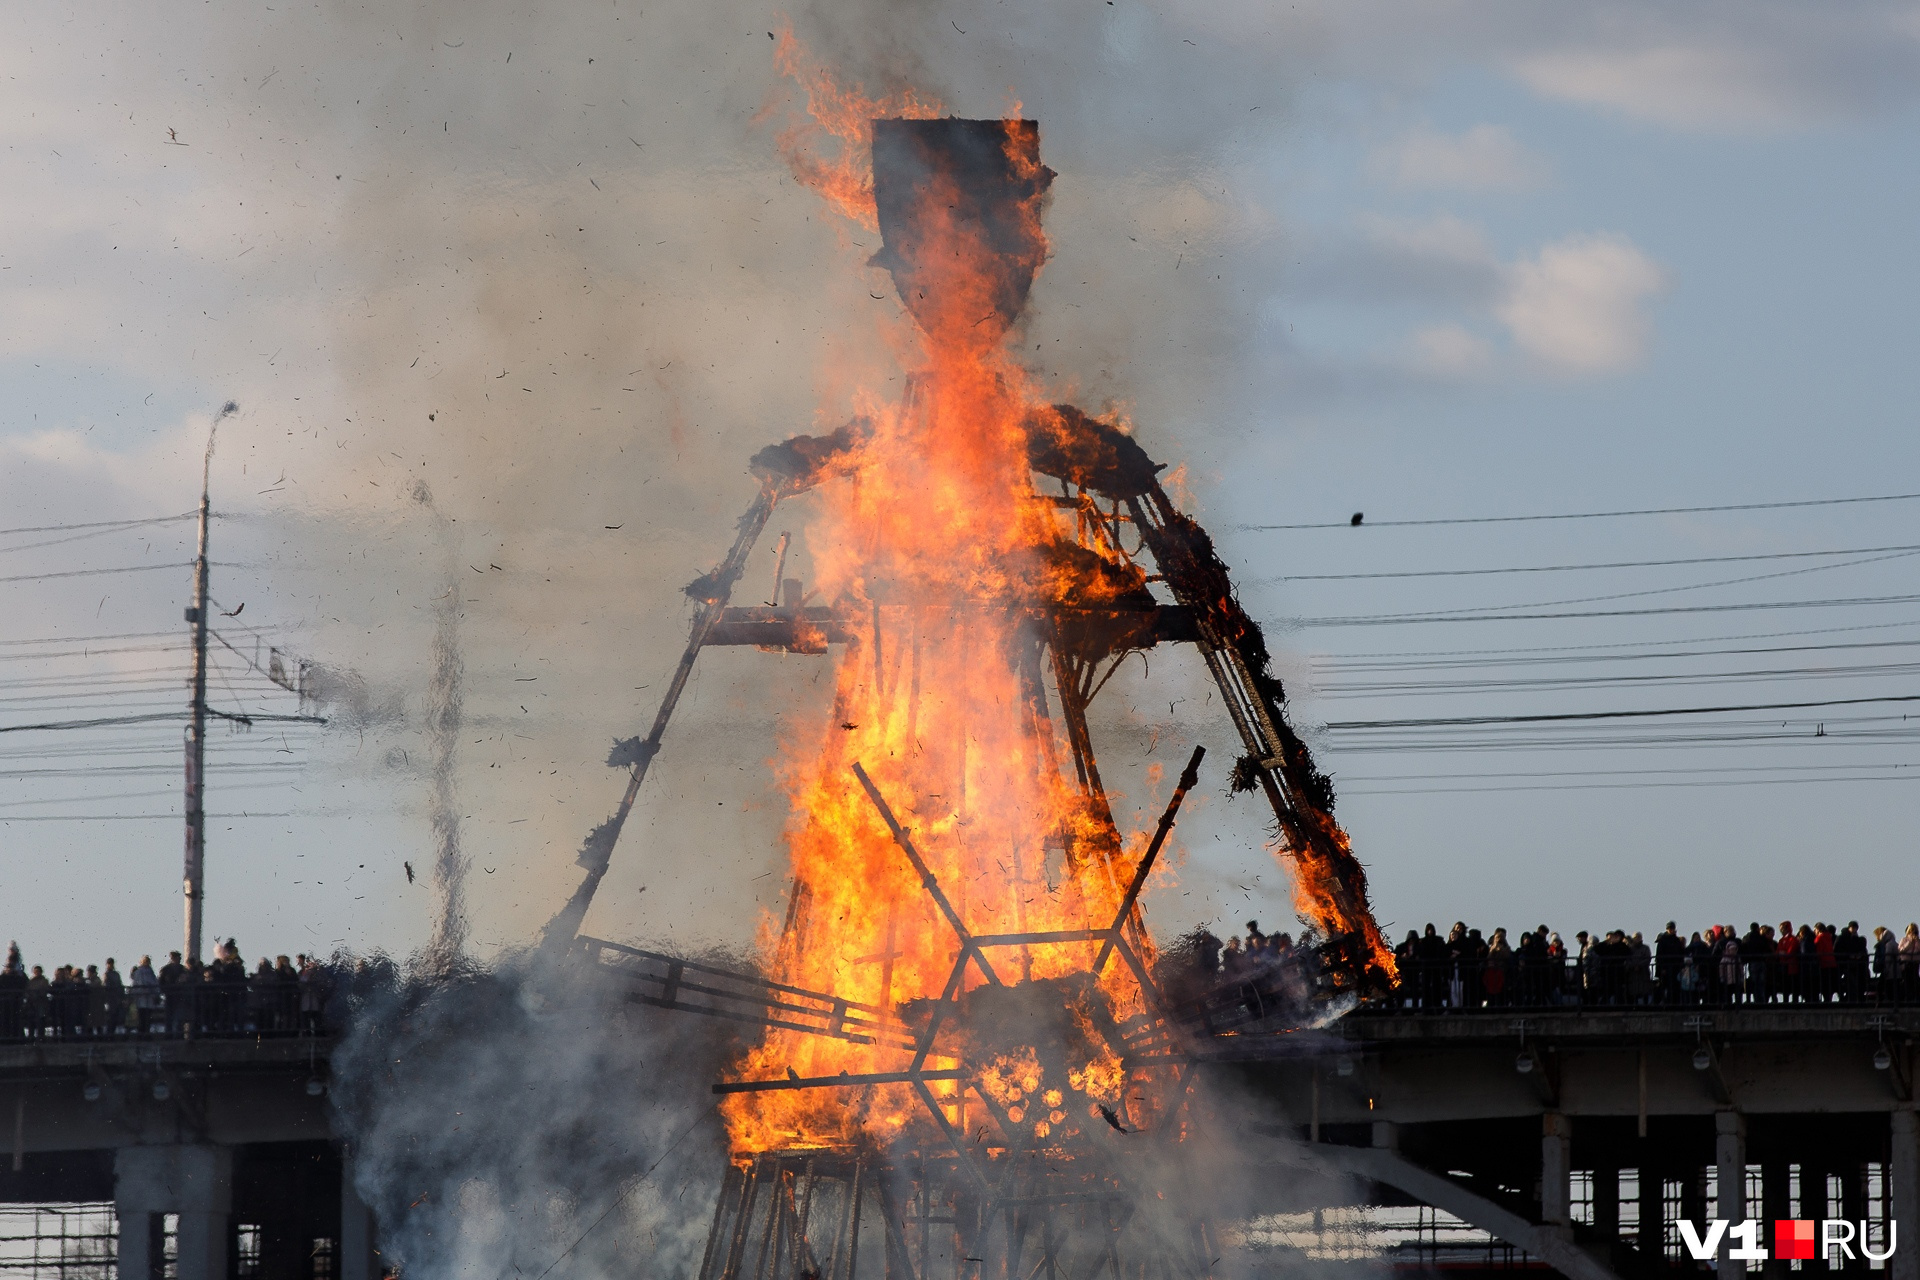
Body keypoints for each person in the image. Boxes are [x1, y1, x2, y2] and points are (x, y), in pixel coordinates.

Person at [129, 956, 159, 1035]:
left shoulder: (147, 972)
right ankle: (143, 1033)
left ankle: (144, 1033)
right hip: (143, 998)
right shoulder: (142, 972)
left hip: (146, 999)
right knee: (143, 1017)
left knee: (145, 1017)